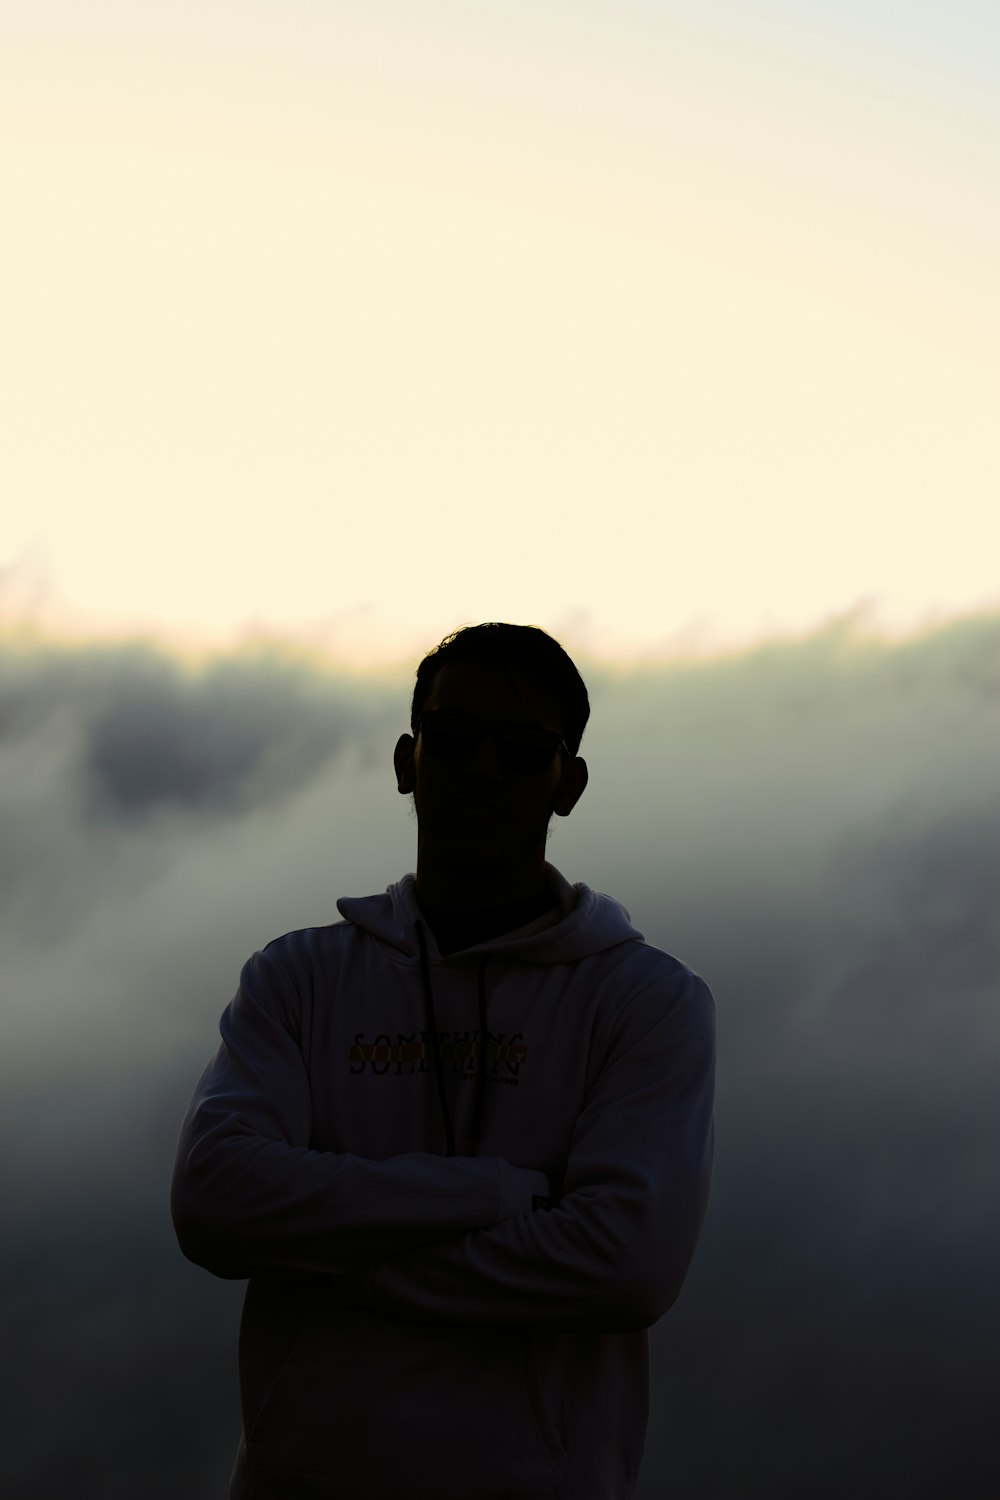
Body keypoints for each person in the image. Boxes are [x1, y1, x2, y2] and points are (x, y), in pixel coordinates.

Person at [171, 621, 716, 1500]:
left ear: (567, 785)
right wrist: (497, 1196)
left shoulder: (645, 1000)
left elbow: (628, 1265)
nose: (482, 769)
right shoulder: (299, 978)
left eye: (522, 750)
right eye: (454, 741)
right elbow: (212, 1201)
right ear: (406, 760)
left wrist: (328, 1253)